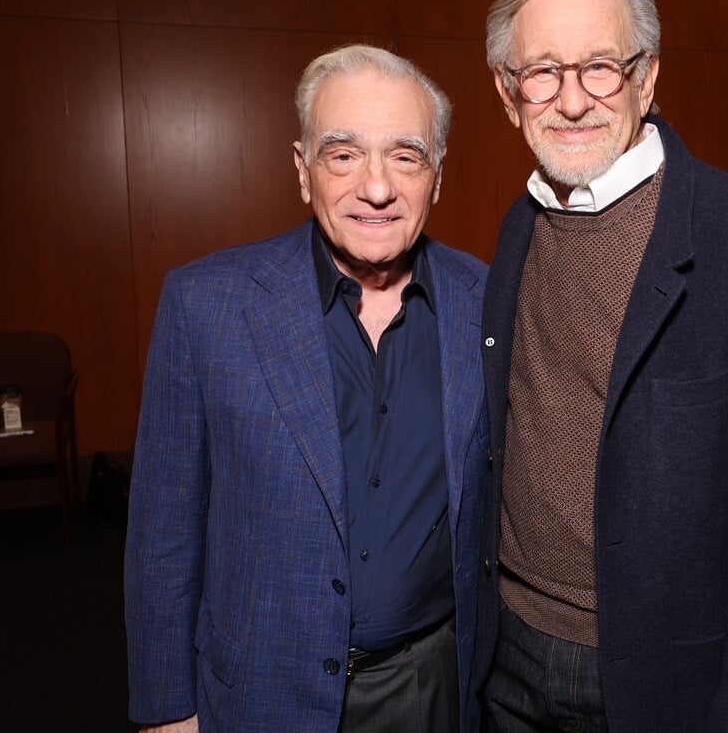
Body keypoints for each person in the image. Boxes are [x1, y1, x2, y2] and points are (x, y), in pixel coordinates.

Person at [475, 0, 728, 733]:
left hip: (665, 678)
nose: (571, 99)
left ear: (647, 79)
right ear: (509, 97)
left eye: (601, 67)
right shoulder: (519, 226)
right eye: (541, 71)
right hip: (507, 654)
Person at [124, 45, 489, 733]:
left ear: (437, 178)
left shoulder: (490, 306)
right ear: (303, 169)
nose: (376, 187)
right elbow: (162, 533)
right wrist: (166, 710)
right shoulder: (206, 305)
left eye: (406, 157)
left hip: (429, 690)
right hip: (259, 690)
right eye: (343, 154)